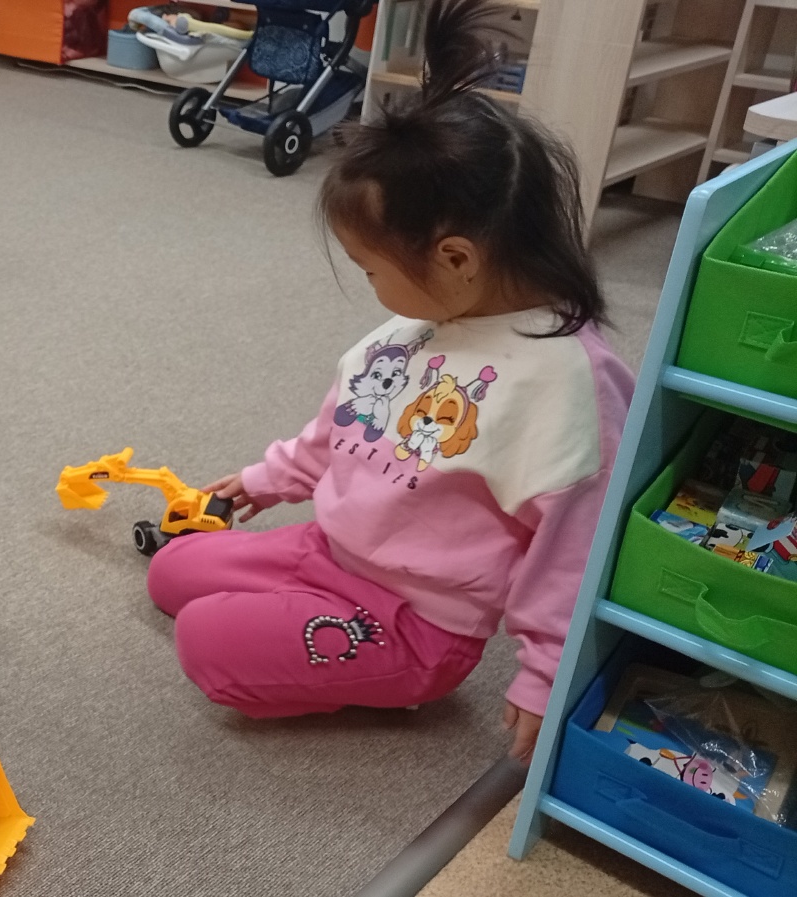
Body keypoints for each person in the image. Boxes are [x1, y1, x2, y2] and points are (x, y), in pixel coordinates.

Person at [146, 0, 635, 764]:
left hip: (416, 620)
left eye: (372, 269)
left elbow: (577, 545)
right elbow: (344, 426)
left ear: (456, 258)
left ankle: (392, 678)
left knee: (204, 642)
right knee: (173, 570)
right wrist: (268, 479)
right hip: (330, 549)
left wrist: (545, 673)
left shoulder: (567, 379)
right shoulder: (417, 326)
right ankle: (293, 609)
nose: (371, 287)